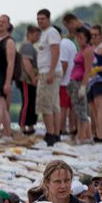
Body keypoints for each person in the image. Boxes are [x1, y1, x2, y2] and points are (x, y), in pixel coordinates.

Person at [35, 9, 62, 146]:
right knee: (54, 105)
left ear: (49, 19)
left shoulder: (51, 32)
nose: (40, 21)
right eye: (38, 18)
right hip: (46, 71)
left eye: (43, 18)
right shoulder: (45, 33)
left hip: (48, 72)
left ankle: (50, 134)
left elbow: (55, 51)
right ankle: (56, 134)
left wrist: (50, 71)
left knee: (45, 104)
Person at [68, 27, 94, 143]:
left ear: (87, 39)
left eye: (81, 38)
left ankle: (81, 137)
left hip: (80, 82)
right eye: (77, 38)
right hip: (75, 82)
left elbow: (88, 69)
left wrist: (83, 86)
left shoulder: (88, 50)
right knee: (78, 109)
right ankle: (85, 136)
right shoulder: (81, 50)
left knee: (81, 110)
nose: (78, 40)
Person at [18, 25, 41, 135]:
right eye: (37, 35)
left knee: (32, 102)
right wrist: (33, 77)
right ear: (30, 34)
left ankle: (30, 125)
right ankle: (22, 126)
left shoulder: (30, 46)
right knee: (27, 103)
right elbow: (26, 63)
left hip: (30, 80)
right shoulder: (27, 46)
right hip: (26, 80)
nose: (38, 37)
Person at [58, 26, 78, 136]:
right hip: (72, 80)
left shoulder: (62, 45)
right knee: (72, 107)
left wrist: (58, 79)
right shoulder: (71, 43)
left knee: (63, 107)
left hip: (64, 82)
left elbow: (64, 64)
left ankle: (61, 129)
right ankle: (72, 128)